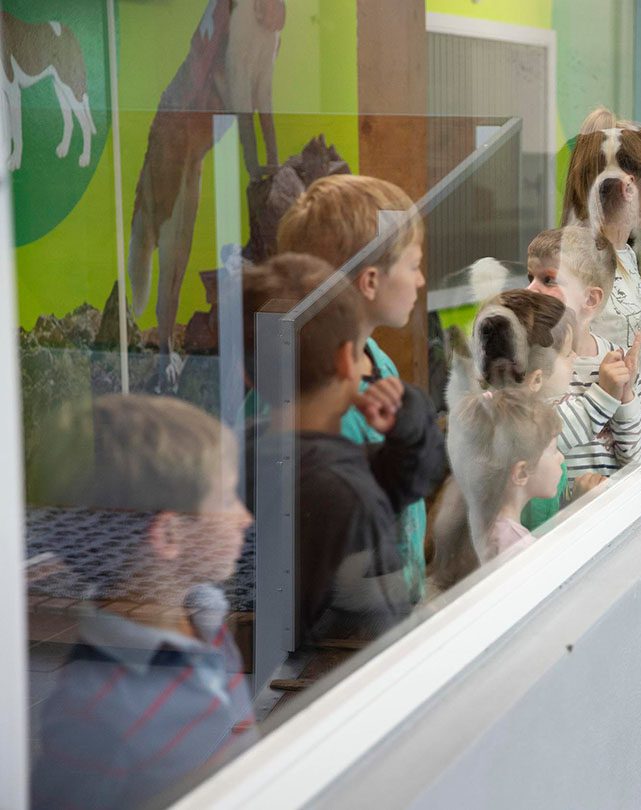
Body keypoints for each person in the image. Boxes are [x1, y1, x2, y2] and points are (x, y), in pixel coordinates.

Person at [29, 394, 256, 809]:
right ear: (169, 535)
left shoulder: (206, 619)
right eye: (226, 499)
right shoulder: (93, 716)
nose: (245, 516)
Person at [242, 253, 445, 638]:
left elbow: (393, 477)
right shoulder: (348, 493)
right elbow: (380, 615)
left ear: (246, 376)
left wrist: (408, 417)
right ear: (346, 362)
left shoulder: (246, 453)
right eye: (361, 352)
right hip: (343, 665)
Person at [275, 174, 434, 601]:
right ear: (369, 282)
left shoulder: (374, 358)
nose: (421, 282)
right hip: (350, 626)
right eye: (414, 266)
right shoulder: (309, 396)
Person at [561, 107, 641, 439]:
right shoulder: (584, 277)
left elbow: (635, 375)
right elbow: (590, 397)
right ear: (628, 188)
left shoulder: (626, 258)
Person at [526, 225, 641, 479]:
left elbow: (637, 459)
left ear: (591, 300)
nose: (530, 290)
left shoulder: (618, 360)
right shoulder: (529, 361)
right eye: (529, 278)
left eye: (548, 280)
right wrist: (605, 394)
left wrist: (625, 396)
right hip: (555, 516)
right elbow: (537, 446)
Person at [447, 388, 564, 559]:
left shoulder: (479, 519)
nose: (560, 458)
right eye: (554, 451)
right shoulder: (518, 549)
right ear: (522, 473)